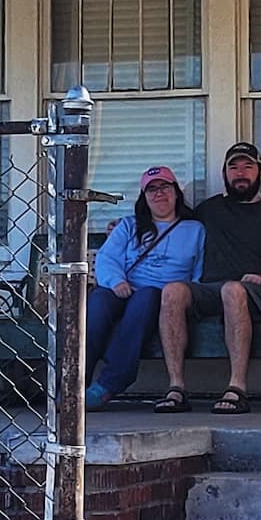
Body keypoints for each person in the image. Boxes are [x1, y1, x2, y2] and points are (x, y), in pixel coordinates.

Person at [154, 142, 261, 415]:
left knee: (233, 290)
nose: (240, 173)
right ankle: (176, 387)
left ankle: (237, 388)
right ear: (224, 174)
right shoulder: (208, 210)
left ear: (260, 174)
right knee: (173, 291)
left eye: (247, 167)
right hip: (210, 289)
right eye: (233, 167)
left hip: (257, 293)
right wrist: (128, 224)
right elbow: (166, 221)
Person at [84, 166, 203, 410]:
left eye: (165, 187)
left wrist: (190, 295)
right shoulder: (129, 225)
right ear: (144, 197)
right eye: (152, 189)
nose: (159, 194)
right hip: (123, 289)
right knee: (98, 302)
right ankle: (73, 383)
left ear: (176, 193)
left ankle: (110, 383)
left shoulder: (195, 230)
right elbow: (107, 259)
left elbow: (199, 271)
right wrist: (117, 281)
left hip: (162, 297)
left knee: (147, 296)